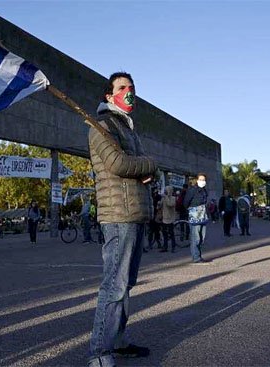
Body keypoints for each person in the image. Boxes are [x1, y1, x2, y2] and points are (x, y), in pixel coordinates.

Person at [87, 72, 157, 366]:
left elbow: (135, 168)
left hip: (135, 213)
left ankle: (117, 341)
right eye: (121, 88)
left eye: (132, 87)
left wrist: (142, 170)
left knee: (125, 284)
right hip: (119, 215)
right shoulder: (101, 125)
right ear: (109, 95)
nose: (129, 92)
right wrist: (150, 163)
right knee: (114, 285)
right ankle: (100, 354)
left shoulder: (127, 128)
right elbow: (117, 164)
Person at [184, 173, 210, 264]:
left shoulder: (204, 191)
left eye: (204, 180)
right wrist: (191, 209)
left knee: (202, 237)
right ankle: (196, 257)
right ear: (197, 180)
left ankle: (199, 255)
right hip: (194, 216)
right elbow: (186, 202)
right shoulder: (192, 190)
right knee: (196, 238)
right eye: (201, 179)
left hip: (203, 216)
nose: (202, 181)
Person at [160, 186, 177, 253]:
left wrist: (166, 197)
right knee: (164, 234)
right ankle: (165, 247)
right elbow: (160, 205)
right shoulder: (163, 198)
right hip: (164, 217)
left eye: (166, 190)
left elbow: (170, 204)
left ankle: (173, 247)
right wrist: (159, 203)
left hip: (170, 218)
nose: (166, 192)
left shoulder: (173, 198)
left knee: (171, 233)